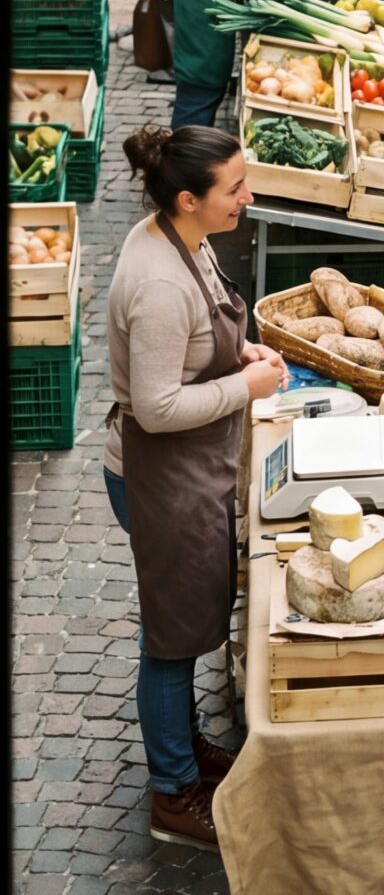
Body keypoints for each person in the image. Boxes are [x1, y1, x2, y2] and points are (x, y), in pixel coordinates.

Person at [105, 123, 290, 850]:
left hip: (191, 469)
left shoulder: (182, 238)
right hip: (160, 477)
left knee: (184, 623)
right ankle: (174, 794)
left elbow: (197, 330)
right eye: (234, 189)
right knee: (171, 640)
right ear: (188, 199)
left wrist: (235, 350)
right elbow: (155, 406)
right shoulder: (154, 281)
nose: (247, 196)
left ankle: (185, 745)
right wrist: (243, 386)